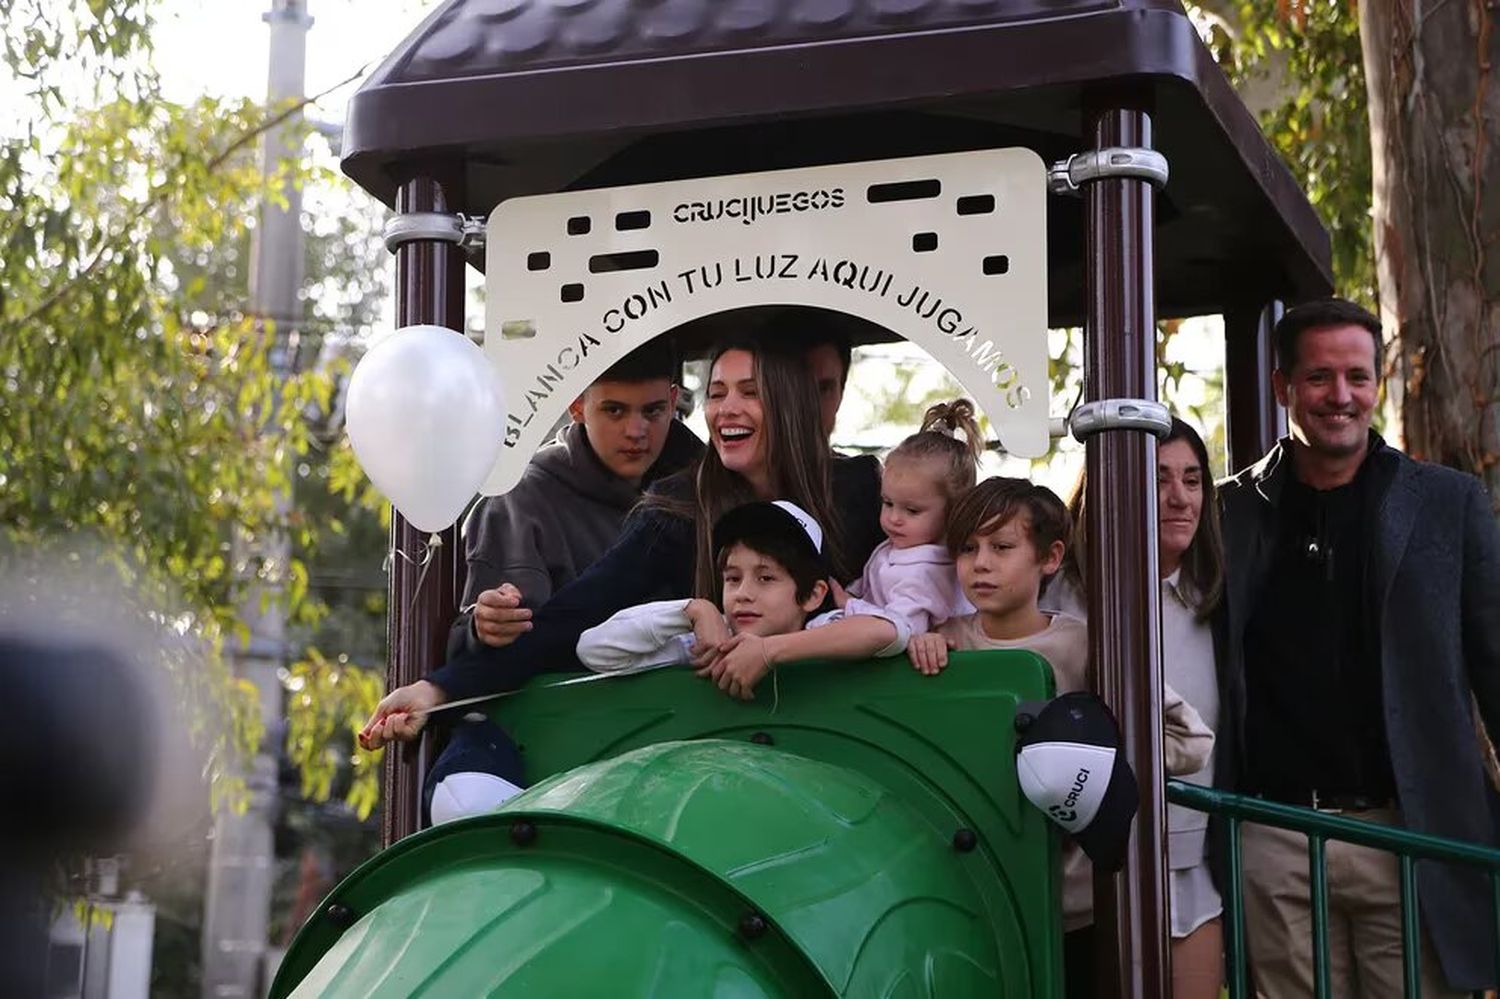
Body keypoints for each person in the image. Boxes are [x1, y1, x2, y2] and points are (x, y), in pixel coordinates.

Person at [359, 335, 886, 788]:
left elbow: (916, 592)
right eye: (718, 393)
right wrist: (438, 688)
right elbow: (571, 619)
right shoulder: (675, 510)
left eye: (750, 392)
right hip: (714, 746)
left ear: (789, 402)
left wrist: (780, 648)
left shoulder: (858, 490)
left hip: (851, 735)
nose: (727, 409)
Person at [1219, 297, 1500, 995]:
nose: (1339, 396)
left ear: (1377, 382)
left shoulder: (1447, 502)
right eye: (1318, 377)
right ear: (1283, 386)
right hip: (1273, 832)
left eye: (1357, 376)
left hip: (1409, 829)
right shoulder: (1228, 511)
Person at [908, 476, 1214, 999]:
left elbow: (1191, 738)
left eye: (1002, 547)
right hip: (972, 896)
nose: (980, 563)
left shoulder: (1084, 645)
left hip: (1075, 906)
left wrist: (1095, 766)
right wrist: (920, 651)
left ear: (1049, 558)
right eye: (967, 548)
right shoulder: (943, 644)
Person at [1044, 417, 1228, 999]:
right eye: (1159, 479)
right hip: (1088, 870)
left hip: (1192, 859)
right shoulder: (1060, 598)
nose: (1179, 497)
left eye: (1194, 480)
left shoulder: (1217, 596)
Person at [450, 338, 702, 656]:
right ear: (577, 406)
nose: (636, 431)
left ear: (673, 399)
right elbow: (488, 661)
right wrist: (484, 628)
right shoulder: (518, 503)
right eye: (614, 411)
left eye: (653, 411)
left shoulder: (707, 490)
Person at [576, 500, 905, 690]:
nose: (743, 593)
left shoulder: (822, 631)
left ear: (813, 595)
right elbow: (593, 650)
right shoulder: (708, 644)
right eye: (732, 578)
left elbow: (888, 632)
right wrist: (694, 610)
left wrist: (767, 651)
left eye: (765, 578)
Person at [818, 398, 981, 642]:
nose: (894, 518)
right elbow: (869, 587)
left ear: (954, 510)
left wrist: (849, 603)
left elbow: (901, 629)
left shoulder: (928, 572)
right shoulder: (902, 549)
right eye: (888, 503)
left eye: (912, 511)